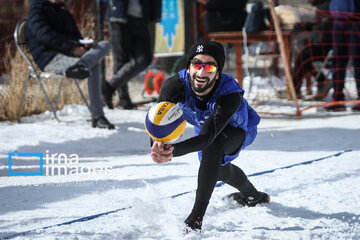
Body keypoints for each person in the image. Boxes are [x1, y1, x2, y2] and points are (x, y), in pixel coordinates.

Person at [150, 40, 270, 231]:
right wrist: (156, 143)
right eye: (196, 64)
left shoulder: (230, 94)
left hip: (238, 129)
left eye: (209, 66)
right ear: (189, 67)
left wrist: (173, 151)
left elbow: (207, 139)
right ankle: (253, 195)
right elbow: (156, 119)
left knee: (213, 148)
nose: (201, 72)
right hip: (204, 128)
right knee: (218, 169)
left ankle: (195, 220)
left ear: (218, 73)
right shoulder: (174, 86)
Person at [26, 0, 115, 129]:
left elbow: (74, 36)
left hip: (71, 57)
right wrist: (72, 48)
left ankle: (80, 66)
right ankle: (97, 116)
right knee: (94, 64)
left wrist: (82, 44)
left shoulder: (63, 11)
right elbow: (46, 36)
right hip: (50, 58)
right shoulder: (36, 11)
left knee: (105, 45)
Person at [102, 0, 162, 110]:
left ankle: (110, 86)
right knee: (121, 60)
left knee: (144, 59)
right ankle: (123, 100)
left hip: (141, 17)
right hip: (119, 15)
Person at [292, 0, 333, 100]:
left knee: (302, 57)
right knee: (303, 57)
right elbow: (319, 26)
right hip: (321, 45)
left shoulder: (326, 7)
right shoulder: (322, 7)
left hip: (326, 47)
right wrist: (306, 26)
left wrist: (313, 31)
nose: (307, 1)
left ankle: (294, 90)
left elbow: (325, 29)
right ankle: (322, 81)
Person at [325, 0, 360, 111]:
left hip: (356, 20)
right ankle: (337, 98)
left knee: (357, 61)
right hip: (338, 20)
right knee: (338, 61)